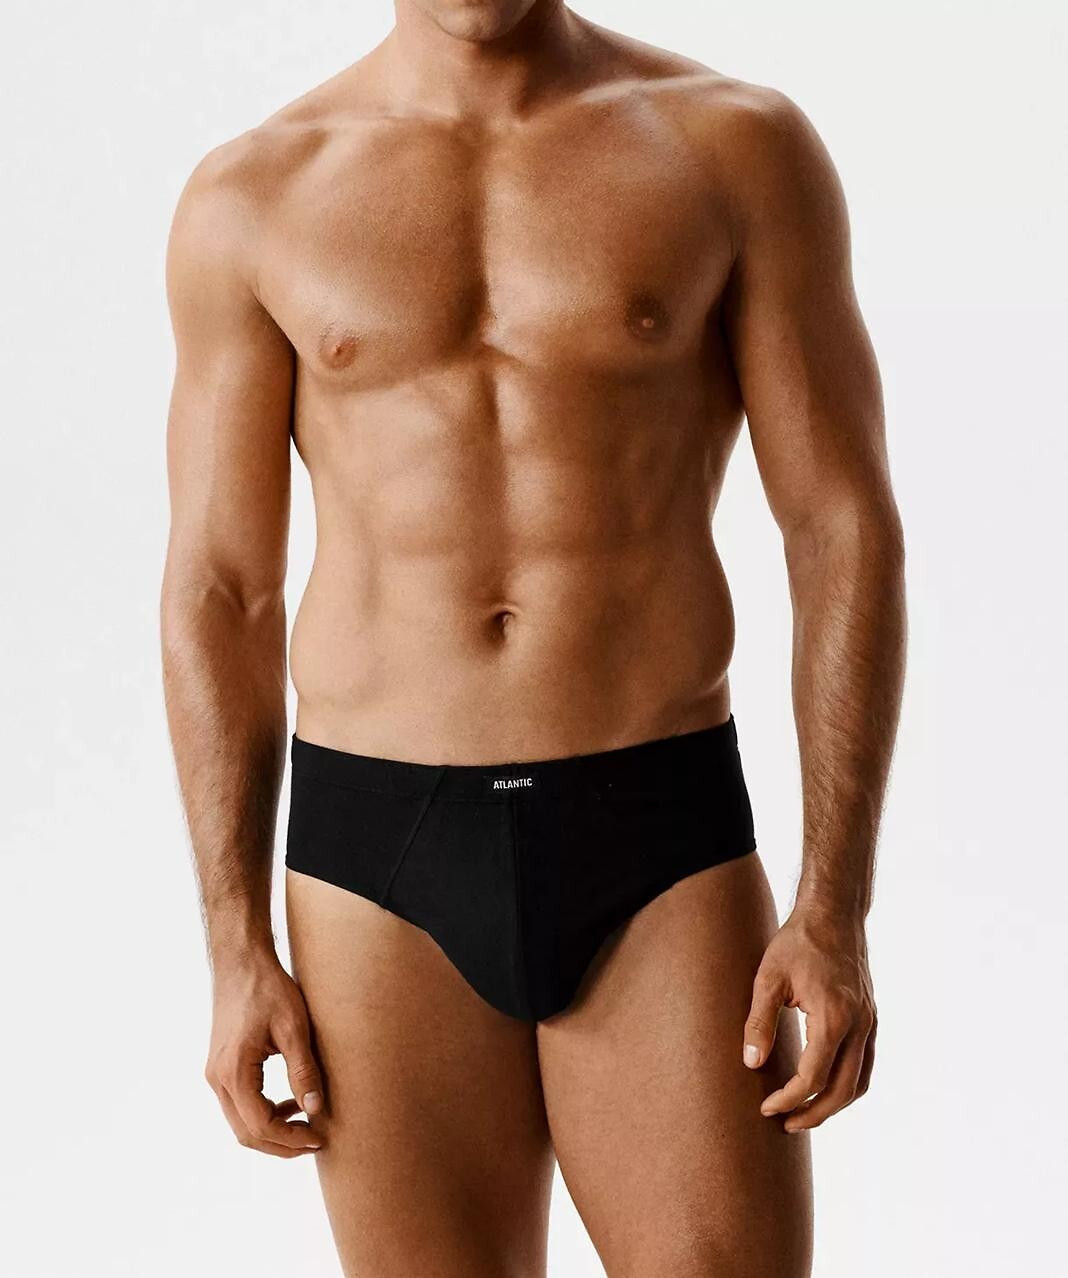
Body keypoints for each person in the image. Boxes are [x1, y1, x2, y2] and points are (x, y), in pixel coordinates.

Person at [161, 1, 906, 1274]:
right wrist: (234, 949)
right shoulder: (254, 197)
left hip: (656, 838)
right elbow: (223, 588)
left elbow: (840, 529)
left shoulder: (730, 148)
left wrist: (834, 909)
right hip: (376, 862)